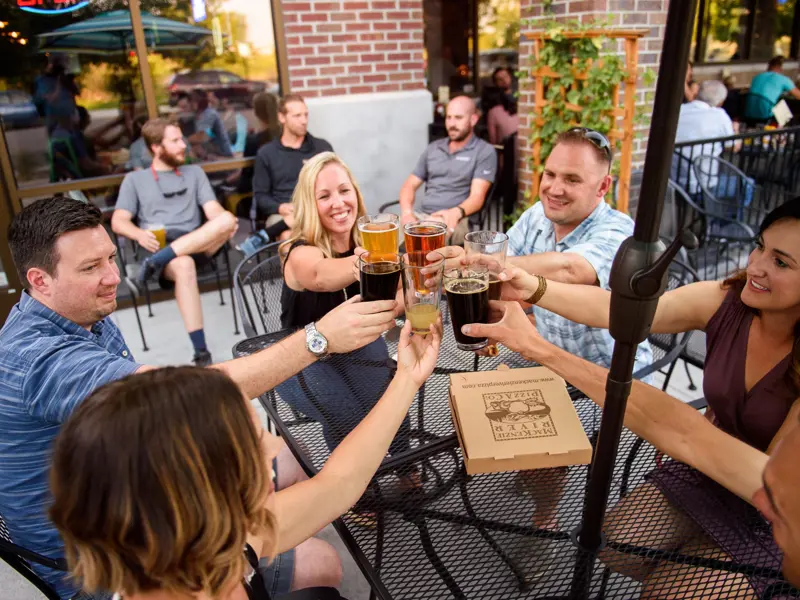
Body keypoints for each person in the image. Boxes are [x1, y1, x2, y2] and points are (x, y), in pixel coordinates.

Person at [0, 196, 397, 600]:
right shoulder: (38, 358)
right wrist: (320, 337)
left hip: (131, 492)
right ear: (39, 280)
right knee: (322, 561)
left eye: (110, 259)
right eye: (90, 267)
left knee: (292, 464)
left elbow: (165, 402)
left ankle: (266, 539)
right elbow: (184, 398)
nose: (112, 276)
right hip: (107, 559)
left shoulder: (80, 314)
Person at [462, 196, 800, 598]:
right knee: (615, 546)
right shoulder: (730, 300)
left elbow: (702, 444)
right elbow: (623, 311)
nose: (757, 266)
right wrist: (531, 286)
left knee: (665, 592)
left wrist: (540, 350)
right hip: (705, 472)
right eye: (760, 246)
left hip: (776, 514)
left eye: (781, 262)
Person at [50, 320, 439, 600]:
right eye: (254, 448)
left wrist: (407, 377)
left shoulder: (203, 550)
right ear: (203, 494)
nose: (272, 454)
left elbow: (337, 484)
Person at [450, 127, 652, 375]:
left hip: (609, 380)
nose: (555, 189)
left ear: (602, 187)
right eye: (550, 174)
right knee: (468, 402)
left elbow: (571, 268)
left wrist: (483, 264)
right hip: (548, 362)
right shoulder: (537, 215)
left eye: (572, 179)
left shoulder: (619, 230)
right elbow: (503, 274)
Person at [276, 152, 411, 463]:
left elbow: (402, 294)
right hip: (302, 356)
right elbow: (320, 276)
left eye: (344, 190)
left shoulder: (372, 242)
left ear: (356, 193)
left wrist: (414, 288)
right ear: (311, 205)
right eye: (324, 196)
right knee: (346, 412)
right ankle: (356, 496)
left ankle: (403, 468)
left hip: (357, 346)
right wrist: (374, 262)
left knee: (394, 393)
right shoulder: (298, 251)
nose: (338, 203)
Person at [111, 118, 237, 366]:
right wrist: (138, 234)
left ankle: (154, 264)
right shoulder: (135, 180)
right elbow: (118, 221)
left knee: (226, 220)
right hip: (160, 245)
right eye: (176, 140)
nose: (184, 145)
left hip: (197, 244)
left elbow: (214, 213)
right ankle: (201, 352)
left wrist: (224, 225)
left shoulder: (194, 173)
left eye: (182, 139)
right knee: (184, 264)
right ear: (157, 147)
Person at [238, 94, 334, 255]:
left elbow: (335, 184)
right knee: (287, 237)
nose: (304, 120)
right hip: (284, 213)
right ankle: (293, 280)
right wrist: (280, 207)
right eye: (297, 116)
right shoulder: (267, 153)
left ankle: (262, 237)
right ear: (282, 117)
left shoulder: (321, 148)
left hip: (318, 208)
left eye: (305, 114)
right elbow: (261, 196)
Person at [398, 95, 497, 244]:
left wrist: (453, 213)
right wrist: (406, 214)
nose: (451, 123)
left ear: (473, 120)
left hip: (458, 218)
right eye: (448, 117)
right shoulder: (433, 149)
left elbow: (477, 197)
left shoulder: (484, 151)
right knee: (385, 233)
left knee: (423, 244)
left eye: (458, 118)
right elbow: (409, 185)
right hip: (422, 217)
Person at [673, 79, 740, 192]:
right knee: (746, 186)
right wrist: (736, 130)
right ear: (720, 102)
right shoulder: (719, 115)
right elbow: (734, 147)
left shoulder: (679, 110)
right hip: (705, 183)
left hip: (675, 181)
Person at [233, 92, 281, 218]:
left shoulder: (255, 141)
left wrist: (228, 182)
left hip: (263, 200)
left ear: (256, 114)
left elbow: (246, 179)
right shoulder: (285, 135)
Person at [744, 56, 800, 124]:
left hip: (748, 113)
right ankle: (788, 130)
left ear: (768, 67)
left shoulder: (757, 77)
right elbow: (798, 95)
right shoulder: (783, 79)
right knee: (784, 109)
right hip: (765, 114)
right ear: (780, 68)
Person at [187, 88, 234, 158]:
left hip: (222, 155)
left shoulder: (208, 114)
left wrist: (183, 140)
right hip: (213, 152)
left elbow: (201, 137)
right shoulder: (200, 113)